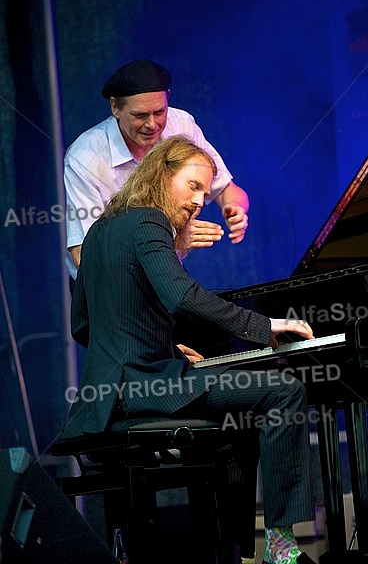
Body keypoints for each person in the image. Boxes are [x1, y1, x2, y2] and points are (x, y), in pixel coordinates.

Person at [61, 136, 317, 564]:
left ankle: (227, 549)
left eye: (205, 191)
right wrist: (264, 326)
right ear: (162, 175)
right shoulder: (149, 222)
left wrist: (163, 343)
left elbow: (82, 325)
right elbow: (181, 296)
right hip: (143, 387)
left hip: (108, 395)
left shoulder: (101, 229)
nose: (200, 201)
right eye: (193, 186)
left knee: (240, 418)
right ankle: (281, 547)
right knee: (283, 391)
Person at [64, 58, 249, 280]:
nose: (152, 124)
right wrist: (170, 239)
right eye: (140, 115)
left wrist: (234, 208)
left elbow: (230, 191)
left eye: (160, 112)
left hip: (162, 273)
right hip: (105, 284)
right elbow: (84, 256)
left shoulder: (182, 125)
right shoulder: (85, 156)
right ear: (115, 107)